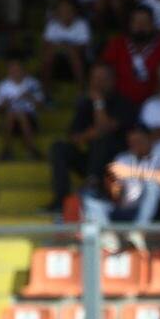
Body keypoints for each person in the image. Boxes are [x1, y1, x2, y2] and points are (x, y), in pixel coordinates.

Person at [47, 63, 134, 211]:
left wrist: (99, 103)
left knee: (102, 140)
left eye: (103, 78)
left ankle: (92, 188)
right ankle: (61, 201)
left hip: (115, 164)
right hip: (91, 161)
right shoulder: (85, 104)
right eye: (95, 79)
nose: (98, 83)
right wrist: (92, 133)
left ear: (113, 80)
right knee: (59, 148)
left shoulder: (123, 102)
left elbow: (104, 129)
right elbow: (74, 137)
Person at [81, 123, 160, 249]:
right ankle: (109, 238)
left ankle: (138, 232)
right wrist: (114, 188)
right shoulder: (123, 158)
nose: (135, 144)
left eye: (138, 140)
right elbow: (114, 193)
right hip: (123, 206)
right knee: (90, 198)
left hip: (151, 210)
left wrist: (132, 172)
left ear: (148, 139)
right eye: (131, 141)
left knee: (152, 185)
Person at [101, 4, 160, 106]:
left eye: (145, 22)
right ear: (130, 24)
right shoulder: (116, 44)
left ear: (153, 24)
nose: (140, 26)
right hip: (119, 104)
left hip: (156, 104)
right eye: (136, 22)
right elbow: (104, 76)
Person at [0, 54, 43, 160]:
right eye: (12, 69)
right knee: (12, 114)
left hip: (31, 120)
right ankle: (10, 150)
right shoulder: (2, 85)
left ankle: (27, 150)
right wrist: (5, 104)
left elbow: (40, 106)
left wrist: (29, 96)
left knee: (20, 114)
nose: (15, 72)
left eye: (17, 69)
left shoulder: (32, 83)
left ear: (23, 70)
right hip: (9, 122)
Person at [41, 0, 91, 90]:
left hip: (79, 60)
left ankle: (81, 89)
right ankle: (45, 90)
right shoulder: (52, 24)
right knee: (48, 54)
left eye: (68, 9)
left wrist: (64, 47)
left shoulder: (82, 24)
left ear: (75, 11)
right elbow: (45, 46)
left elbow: (83, 47)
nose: (65, 12)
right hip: (57, 61)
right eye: (62, 9)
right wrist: (63, 47)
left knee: (73, 53)